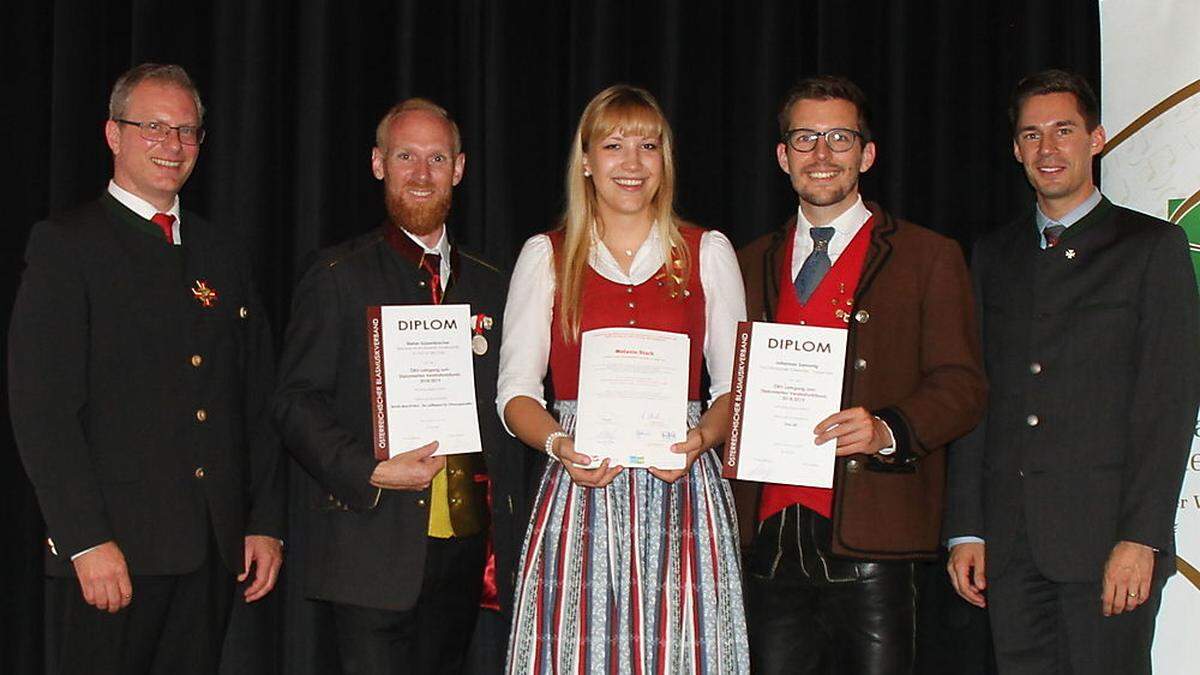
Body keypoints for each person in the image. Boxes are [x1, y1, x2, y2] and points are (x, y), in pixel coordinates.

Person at [8, 63, 285, 674]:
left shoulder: (222, 252)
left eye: (187, 131)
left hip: (211, 553)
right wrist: (84, 539)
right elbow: (43, 411)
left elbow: (255, 398)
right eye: (154, 127)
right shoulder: (67, 246)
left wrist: (263, 520)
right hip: (114, 557)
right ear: (113, 134)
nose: (173, 145)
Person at [945, 69, 1200, 675]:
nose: (1048, 148)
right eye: (1031, 135)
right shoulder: (992, 256)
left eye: (1063, 130)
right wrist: (965, 530)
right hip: (1009, 550)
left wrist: (1142, 538)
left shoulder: (1150, 248)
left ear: (1097, 139)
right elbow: (974, 397)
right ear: (1015, 150)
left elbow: (1168, 405)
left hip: (1108, 546)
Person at [734, 75, 987, 675]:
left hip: (876, 537)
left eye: (839, 138)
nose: (821, 155)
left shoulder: (929, 257)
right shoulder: (744, 262)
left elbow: (962, 385)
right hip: (766, 537)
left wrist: (888, 428)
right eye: (804, 138)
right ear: (782, 156)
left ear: (867, 154)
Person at [497, 84, 750, 673]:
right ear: (586, 161)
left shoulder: (706, 251)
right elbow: (515, 392)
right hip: (580, 483)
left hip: (682, 488)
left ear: (666, 161)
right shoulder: (547, 255)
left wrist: (701, 441)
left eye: (648, 145)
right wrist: (561, 444)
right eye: (613, 145)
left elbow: (734, 389)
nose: (632, 163)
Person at [273, 98, 529, 675]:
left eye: (436, 157)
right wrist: (368, 467)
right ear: (377, 163)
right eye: (405, 155)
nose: (421, 173)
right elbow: (293, 403)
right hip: (372, 545)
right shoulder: (337, 276)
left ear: (459, 169)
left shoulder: (493, 284)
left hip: (468, 553)